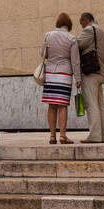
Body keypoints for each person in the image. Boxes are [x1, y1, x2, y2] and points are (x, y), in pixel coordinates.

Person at [39, 12, 81, 144]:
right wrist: (78, 78)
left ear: (57, 23)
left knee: (52, 105)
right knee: (62, 106)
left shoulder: (48, 35)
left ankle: (52, 136)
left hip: (51, 74)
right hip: (64, 74)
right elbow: (75, 61)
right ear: (68, 25)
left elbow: (42, 54)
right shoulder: (71, 38)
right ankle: (62, 135)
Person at [76, 11, 104, 143]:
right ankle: (103, 136)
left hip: (91, 72)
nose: (81, 26)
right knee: (101, 105)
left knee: (91, 104)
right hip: (101, 72)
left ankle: (94, 136)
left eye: (81, 23)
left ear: (86, 20)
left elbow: (77, 44)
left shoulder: (89, 30)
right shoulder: (103, 33)